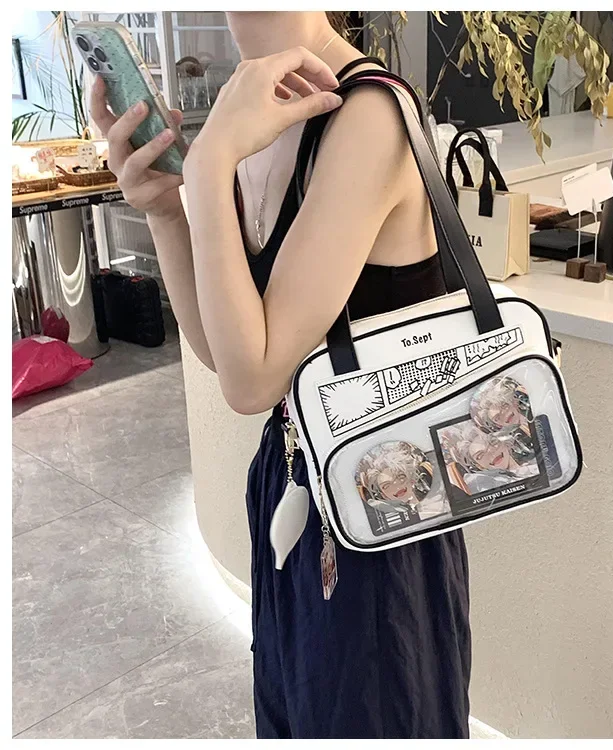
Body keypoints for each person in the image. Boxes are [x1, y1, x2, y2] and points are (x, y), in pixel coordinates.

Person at [90, 10, 470, 739]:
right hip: (290, 483)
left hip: (380, 509)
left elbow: (252, 381)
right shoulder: (254, 107)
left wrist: (208, 166)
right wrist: (168, 209)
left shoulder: (370, 116)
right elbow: (225, 350)